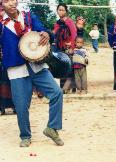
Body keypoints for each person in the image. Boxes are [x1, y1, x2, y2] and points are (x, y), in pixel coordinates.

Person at [0, 0, 64, 147]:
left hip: (37, 65)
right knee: (21, 106)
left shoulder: (28, 17)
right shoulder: (1, 24)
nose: (11, 3)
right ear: (1, 3)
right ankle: (25, 136)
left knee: (56, 93)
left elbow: (43, 30)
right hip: (16, 69)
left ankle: (52, 128)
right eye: (6, 0)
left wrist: (46, 34)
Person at [52, 3, 77, 93]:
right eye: (59, 10)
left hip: (68, 48)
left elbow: (74, 35)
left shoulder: (70, 22)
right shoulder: (57, 24)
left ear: (66, 11)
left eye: (62, 10)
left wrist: (72, 47)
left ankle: (72, 89)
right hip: (59, 49)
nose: (61, 11)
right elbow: (54, 35)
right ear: (57, 11)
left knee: (69, 67)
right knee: (62, 67)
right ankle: (64, 89)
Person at [0, 4, 14, 115]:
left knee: (11, 82)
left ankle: (15, 106)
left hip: (9, 57)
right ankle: (2, 107)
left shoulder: (12, 22)